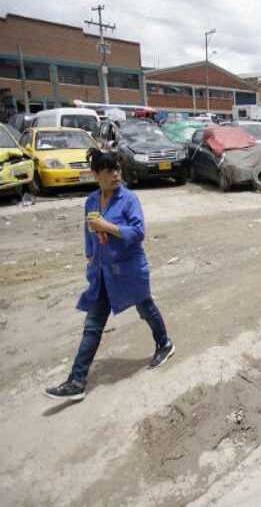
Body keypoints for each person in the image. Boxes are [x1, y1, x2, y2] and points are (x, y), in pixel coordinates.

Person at [45, 148, 174, 401]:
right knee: (92, 325)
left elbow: (138, 233)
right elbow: (88, 231)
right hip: (103, 272)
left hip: (129, 269)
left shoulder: (128, 199)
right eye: (109, 171)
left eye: (118, 169)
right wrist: (90, 254)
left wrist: (109, 227)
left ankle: (165, 343)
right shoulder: (91, 201)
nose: (115, 175)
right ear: (96, 174)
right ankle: (77, 381)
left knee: (145, 308)